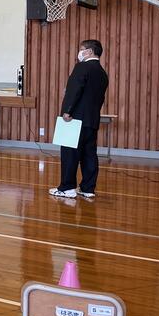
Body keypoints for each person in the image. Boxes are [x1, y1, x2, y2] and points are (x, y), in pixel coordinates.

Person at [49, 39, 109, 200]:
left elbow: (74, 90)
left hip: (75, 118)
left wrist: (67, 111)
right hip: (92, 119)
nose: (80, 52)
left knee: (69, 153)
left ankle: (67, 188)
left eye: (82, 49)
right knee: (89, 154)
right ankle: (88, 188)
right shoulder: (102, 73)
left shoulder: (82, 67)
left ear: (89, 51)